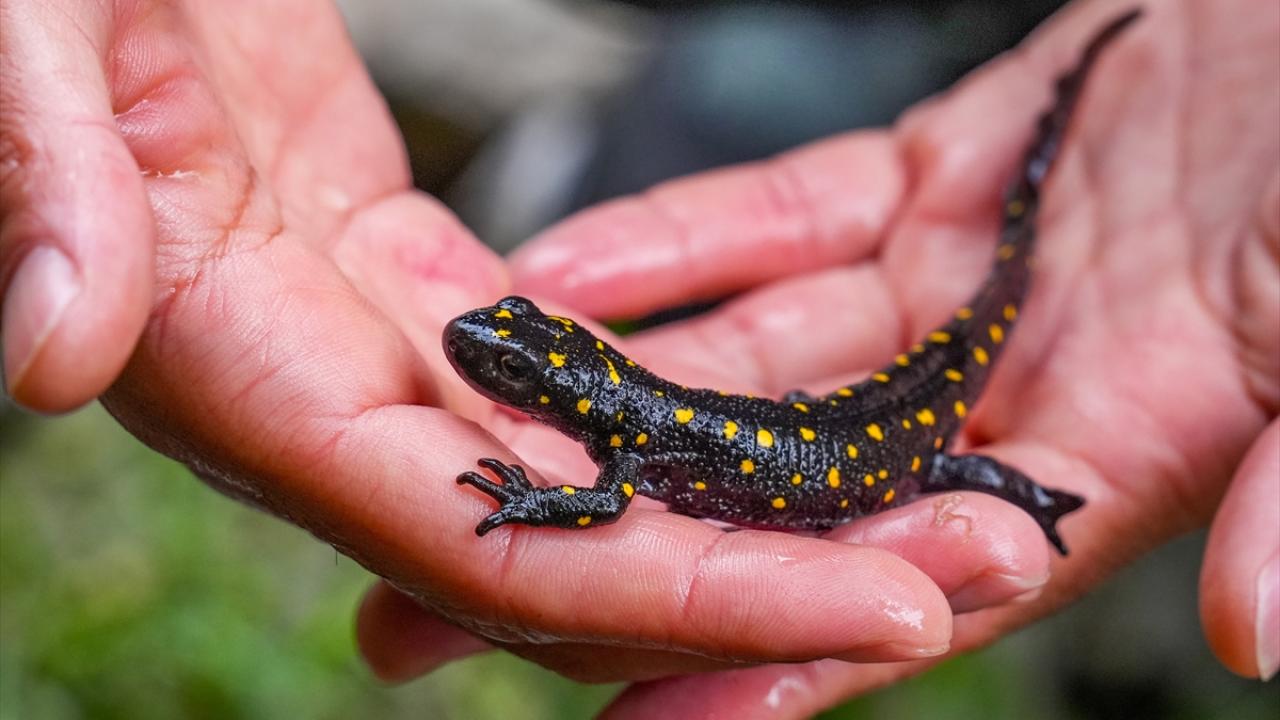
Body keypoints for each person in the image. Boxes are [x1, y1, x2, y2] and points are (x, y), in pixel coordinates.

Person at [1, 0, 1275, 716]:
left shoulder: (616, 438)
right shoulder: (622, 412)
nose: (487, 368)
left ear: (563, 376)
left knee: (966, 470)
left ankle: (1029, 493)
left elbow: (601, 498)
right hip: (836, 425)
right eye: (503, 367)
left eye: (509, 371)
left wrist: (530, 498)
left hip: (887, 440)